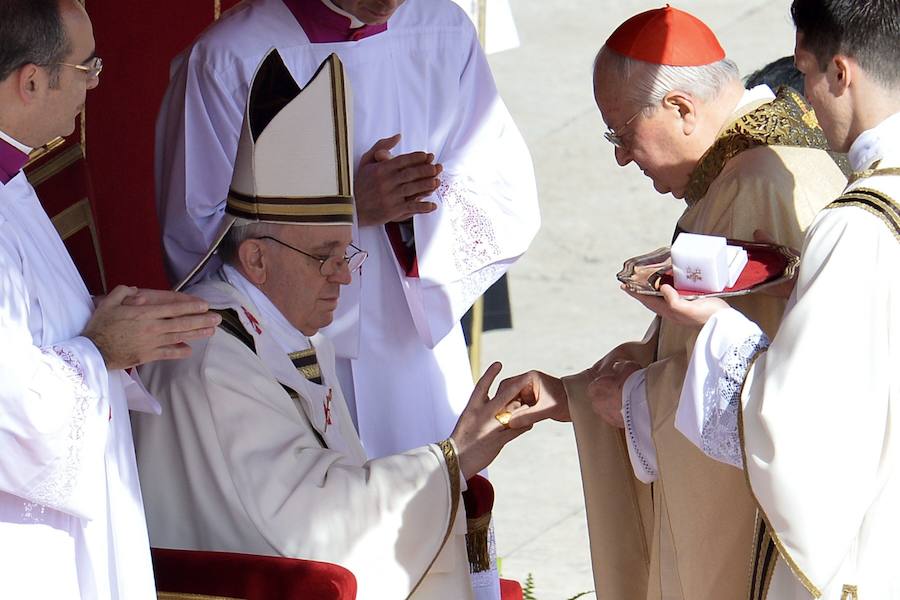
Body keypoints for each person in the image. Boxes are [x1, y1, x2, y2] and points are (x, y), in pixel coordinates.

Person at [134, 51, 533, 600]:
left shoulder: (277, 326)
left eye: (347, 254)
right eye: (325, 257)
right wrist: (454, 455)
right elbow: (314, 529)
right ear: (255, 260)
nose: (343, 277)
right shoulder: (211, 357)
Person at [494, 6, 848, 599]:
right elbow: (692, 354)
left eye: (622, 131)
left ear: (682, 108)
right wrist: (574, 396)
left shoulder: (755, 188)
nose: (620, 155)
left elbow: (757, 397)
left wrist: (633, 399)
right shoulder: (756, 169)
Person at [154, 0, 539, 467]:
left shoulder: (443, 27)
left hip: (412, 344)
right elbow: (198, 231)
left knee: (433, 498)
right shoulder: (228, 57)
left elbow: (498, 183)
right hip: (293, 352)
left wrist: (414, 211)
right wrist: (347, 207)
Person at [627, 1, 900, 597]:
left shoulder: (856, 225)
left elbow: (800, 425)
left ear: (840, 73)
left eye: (802, 74)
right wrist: (797, 280)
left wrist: (713, 322)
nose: (797, 95)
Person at [0, 1, 220, 598]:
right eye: (86, 66)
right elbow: (14, 413)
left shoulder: (10, 179)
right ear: (32, 80)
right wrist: (102, 348)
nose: (96, 82)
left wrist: (99, 316)